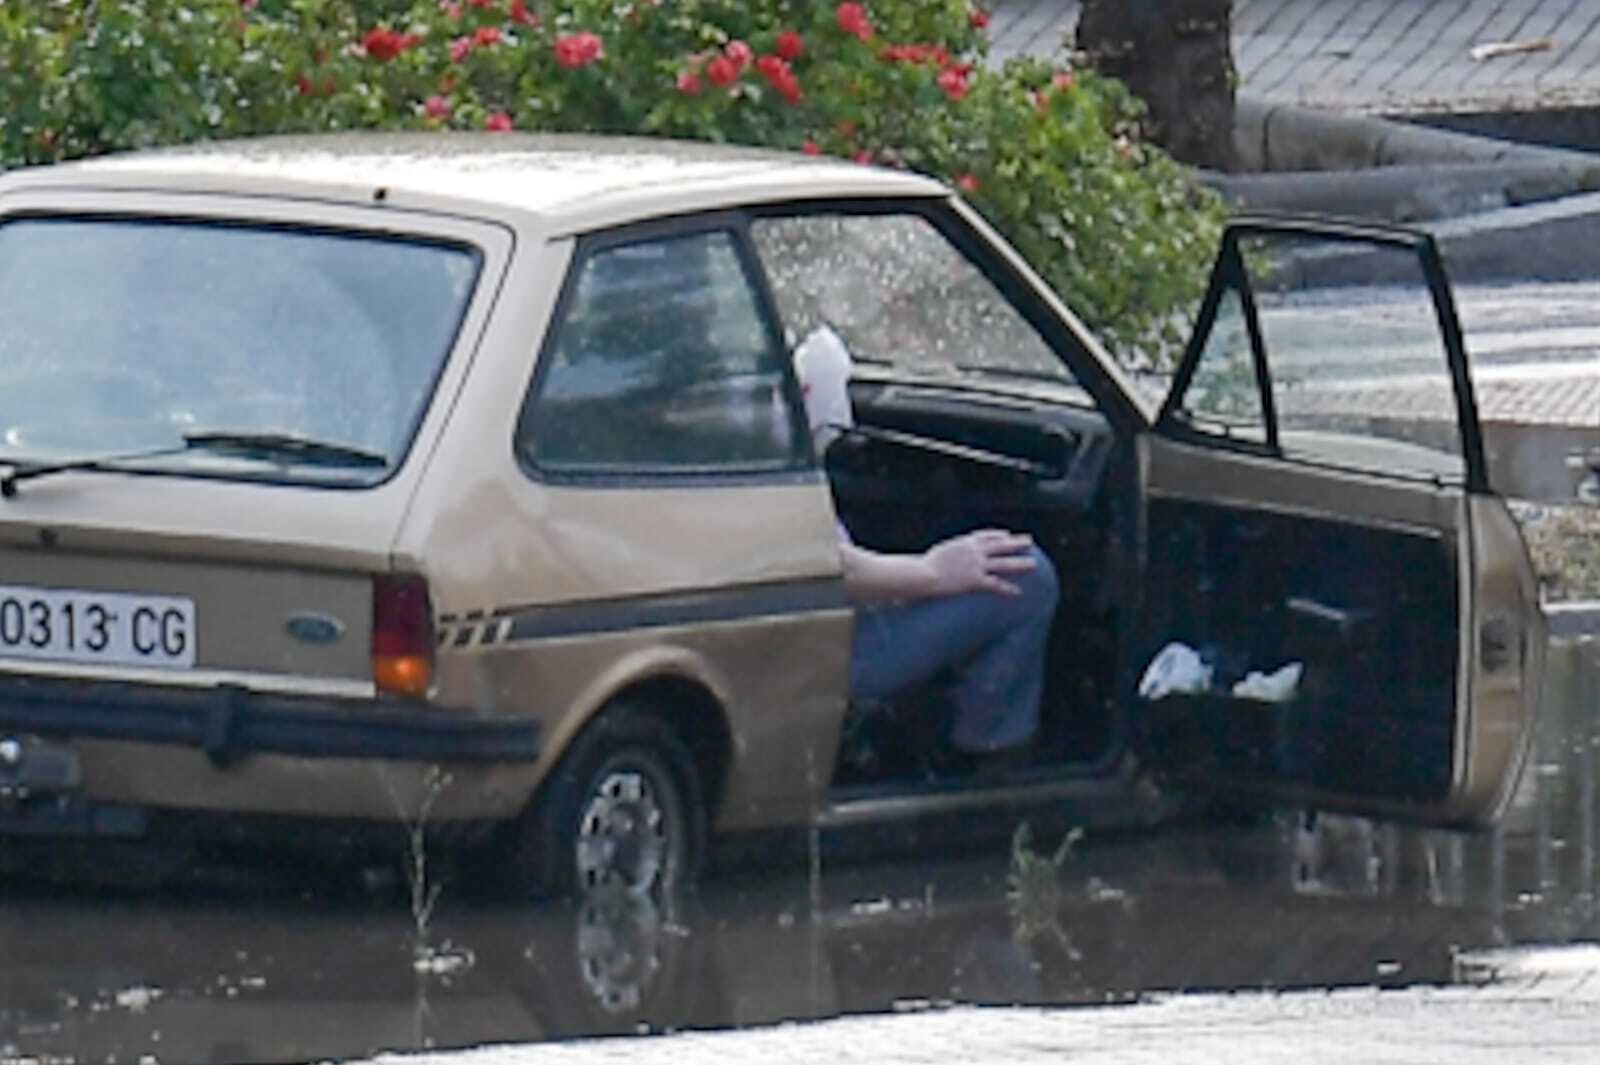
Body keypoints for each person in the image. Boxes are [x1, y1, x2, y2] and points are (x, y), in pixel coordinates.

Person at [794, 326, 1060, 769]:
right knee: (1026, 576)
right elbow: (821, 566)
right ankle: (990, 774)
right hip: (822, 645)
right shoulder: (751, 443)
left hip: (802, 634)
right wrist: (931, 573)